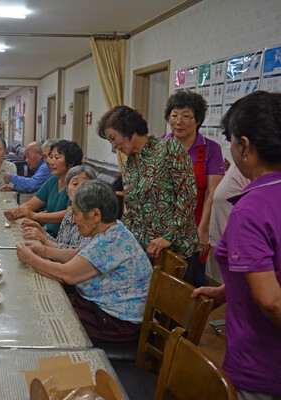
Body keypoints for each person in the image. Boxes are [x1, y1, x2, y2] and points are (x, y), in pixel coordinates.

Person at [193, 91, 281, 400]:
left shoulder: (251, 208)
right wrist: (226, 290)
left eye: (232, 141)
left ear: (246, 147)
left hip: (263, 368)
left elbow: (271, 301)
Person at [16, 180, 153, 342]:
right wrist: (43, 251)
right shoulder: (111, 230)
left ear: (95, 215)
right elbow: (78, 254)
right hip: (101, 311)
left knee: (48, 318)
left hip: (117, 321)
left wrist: (31, 259)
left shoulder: (111, 241)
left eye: (76, 213)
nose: (74, 220)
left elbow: (67, 275)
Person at [97, 105, 199, 277]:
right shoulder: (129, 166)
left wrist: (169, 237)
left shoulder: (168, 149)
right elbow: (132, 211)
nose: (114, 146)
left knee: (172, 304)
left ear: (127, 129)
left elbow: (187, 196)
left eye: (113, 138)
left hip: (177, 252)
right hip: (145, 254)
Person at [161, 91, 225, 287]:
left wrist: (204, 229)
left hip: (197, 223)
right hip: (164, 225)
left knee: (192, 280)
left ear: (197, 120)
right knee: (163, 278)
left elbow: (213, 192)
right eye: (174, 115)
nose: (178, 121)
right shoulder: (159, 145)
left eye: (185, 116)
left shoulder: (211, 149)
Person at [4, 140, 84, 237]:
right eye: (50, 157)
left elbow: (69, 214)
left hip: (64, 240)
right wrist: (14, 213)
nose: (50, 162)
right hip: (47, 233)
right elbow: (30, 205)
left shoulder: (77, 185)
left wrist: (35, 216)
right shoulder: (52, 181)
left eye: (56, 158)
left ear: (70, 162)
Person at [21, 164, 97, 250]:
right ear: (67, 190)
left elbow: (76, 255)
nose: (79, 188)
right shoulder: (69, 215)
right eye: (75, 184)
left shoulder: (92, 217)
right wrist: (41, 231)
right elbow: (59, 244)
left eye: (84, 184)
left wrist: (44, 240)